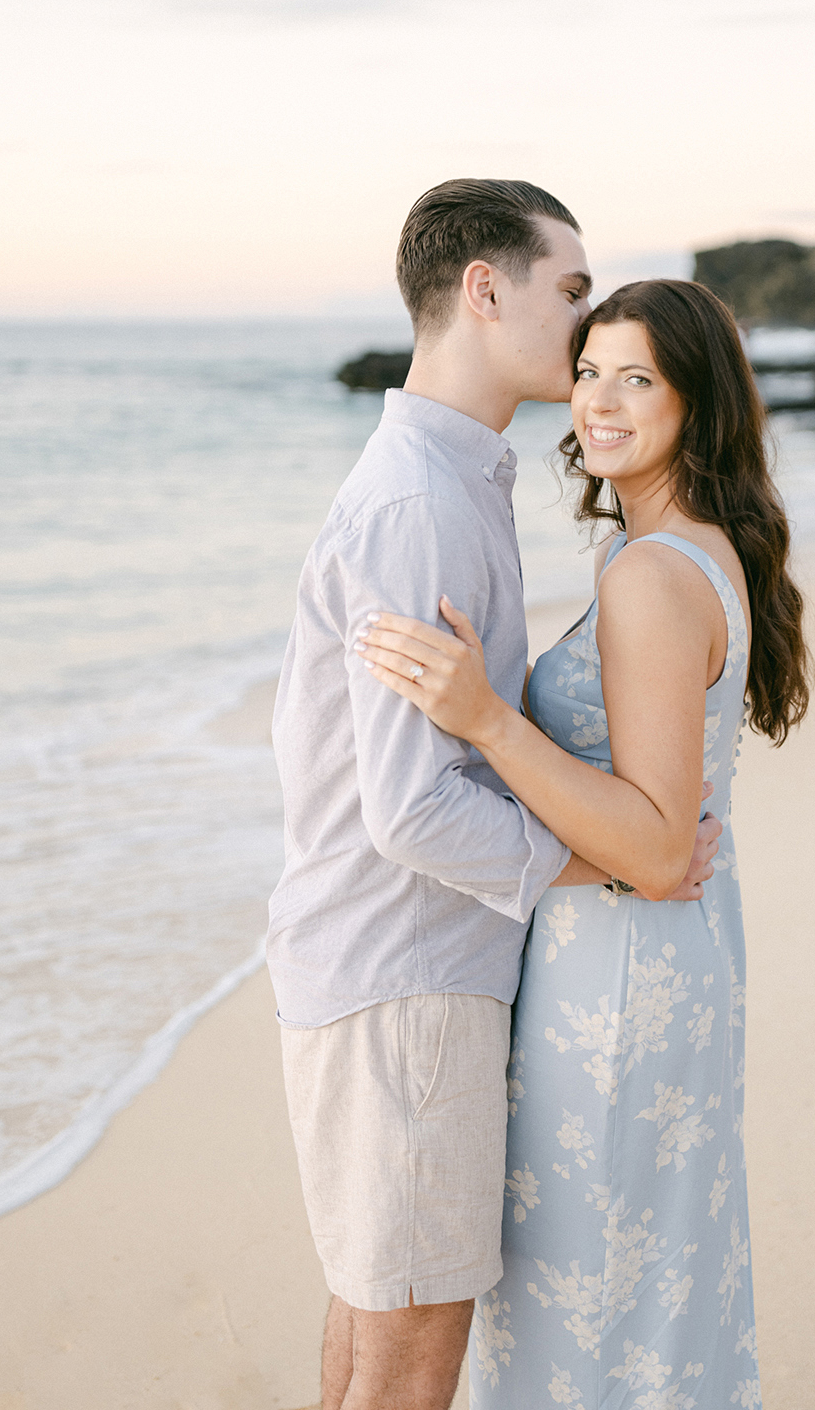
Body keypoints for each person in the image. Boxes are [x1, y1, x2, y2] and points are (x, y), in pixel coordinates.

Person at [267, 184, 722, 1410]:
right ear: (485, 288)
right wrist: (620, 860)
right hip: (408, 968)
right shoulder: (422, 498)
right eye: (570, 290)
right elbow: (411, 807)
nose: (584, 332)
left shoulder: (454, 478)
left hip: (387, 961)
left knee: (380, 1318)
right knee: (410, 1358)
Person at [357, 278, 812, 1408]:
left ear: (697, 403)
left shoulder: (654, 578)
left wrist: (486, 720)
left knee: (593, 1296)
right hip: (653, 963)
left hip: (617, 975)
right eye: (591, 368)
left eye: (638, 377)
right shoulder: (676, 550)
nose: (598, 401)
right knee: (646, 1286)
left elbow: (658, 848)